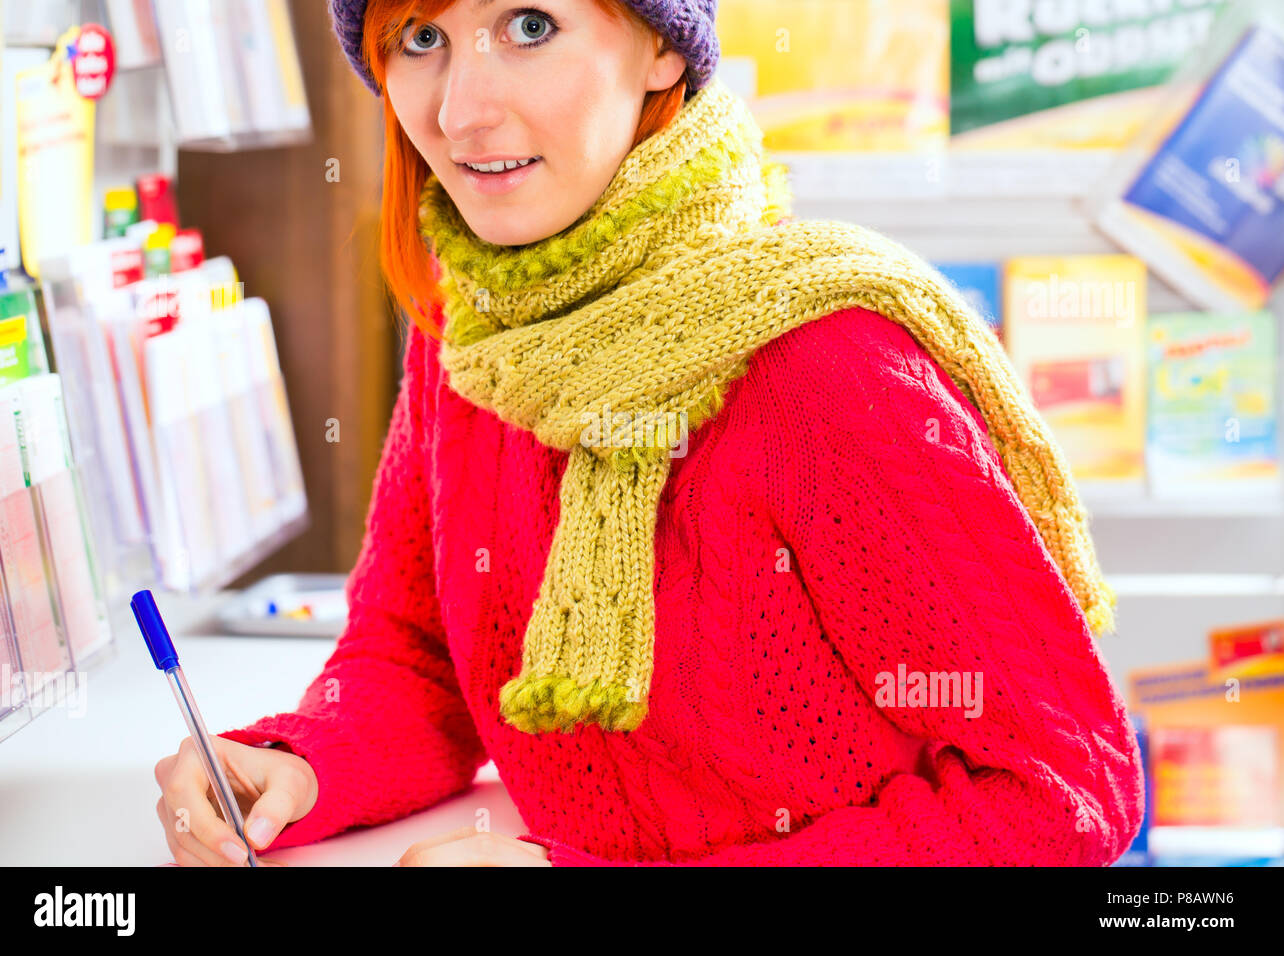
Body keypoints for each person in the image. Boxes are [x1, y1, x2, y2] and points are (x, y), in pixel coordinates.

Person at [153, 0, 1145, 867]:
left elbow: (1063, 789)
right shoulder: (472, 333)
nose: (457, 112)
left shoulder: (825, 364)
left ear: (664, 50)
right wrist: (294, 762)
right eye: (422, 39)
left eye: (529, 26)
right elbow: (414, 659)